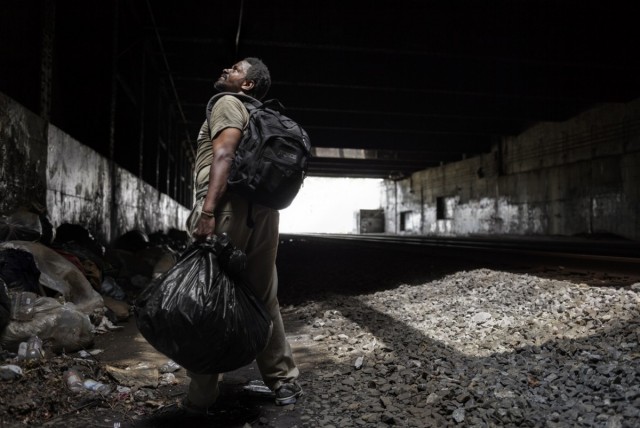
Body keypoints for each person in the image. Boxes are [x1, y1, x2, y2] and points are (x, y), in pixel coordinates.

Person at [183, 57, 302, 413]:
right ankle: (284, 382)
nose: (225, 70)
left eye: (235, 69)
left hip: (228, 210)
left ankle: (202, 396)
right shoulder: (260, 115)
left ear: (246, 84)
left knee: (208, 296)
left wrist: (207, 212)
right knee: (264, 297)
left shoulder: (227, 103)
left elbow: (224, 154)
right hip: (264, 213)